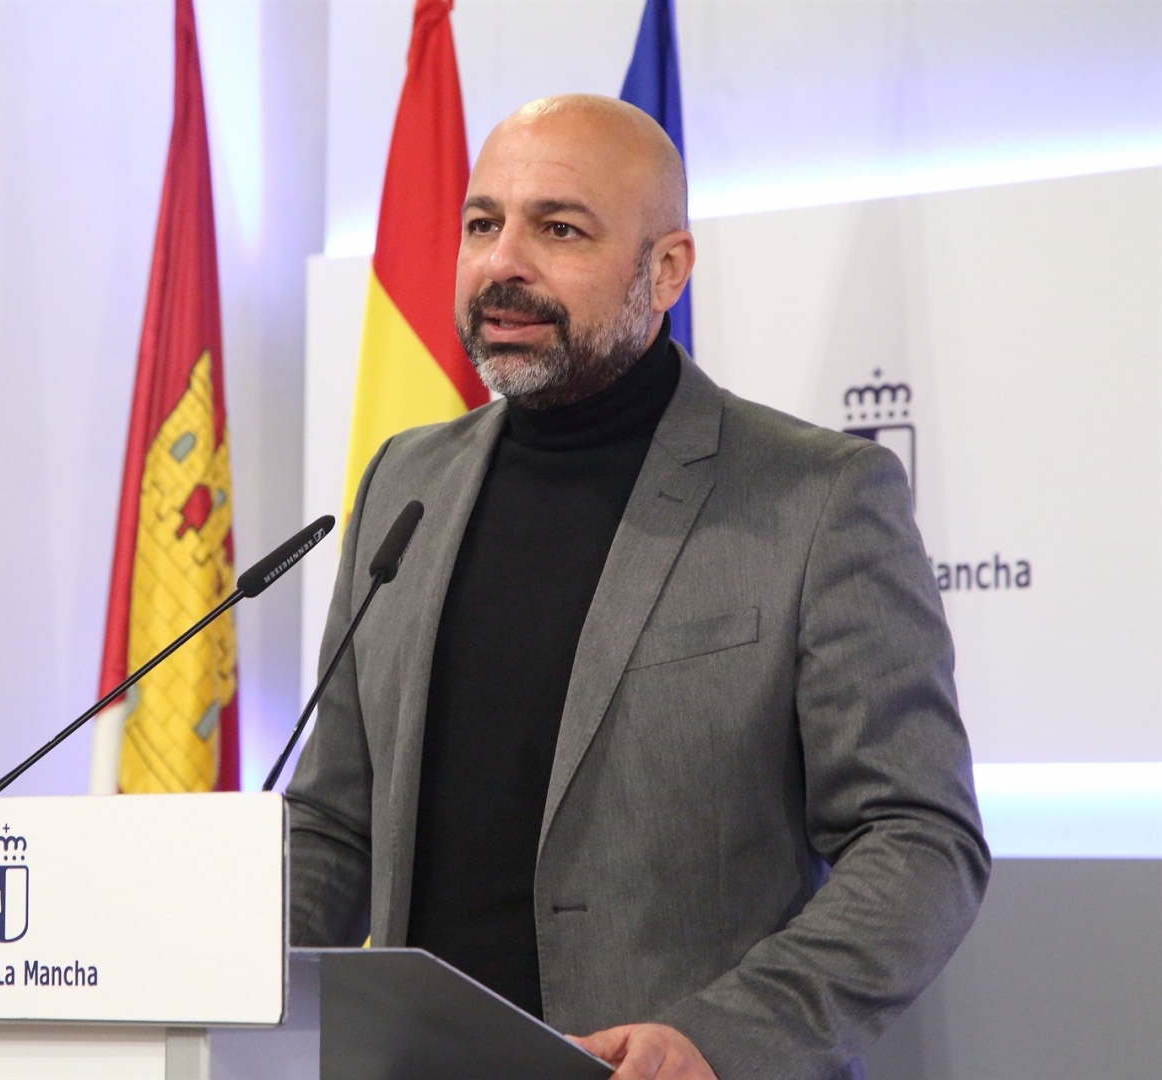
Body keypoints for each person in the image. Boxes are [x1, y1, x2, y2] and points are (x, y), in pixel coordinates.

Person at [284, 95, 990, 1080]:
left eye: (559, 229)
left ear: (666, 270)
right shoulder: (407, 479)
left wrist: (722, 1036)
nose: (502, 264)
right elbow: (334, 822)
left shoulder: (818, 497)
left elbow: (918, 838)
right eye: (482, 224)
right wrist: (205, 981)